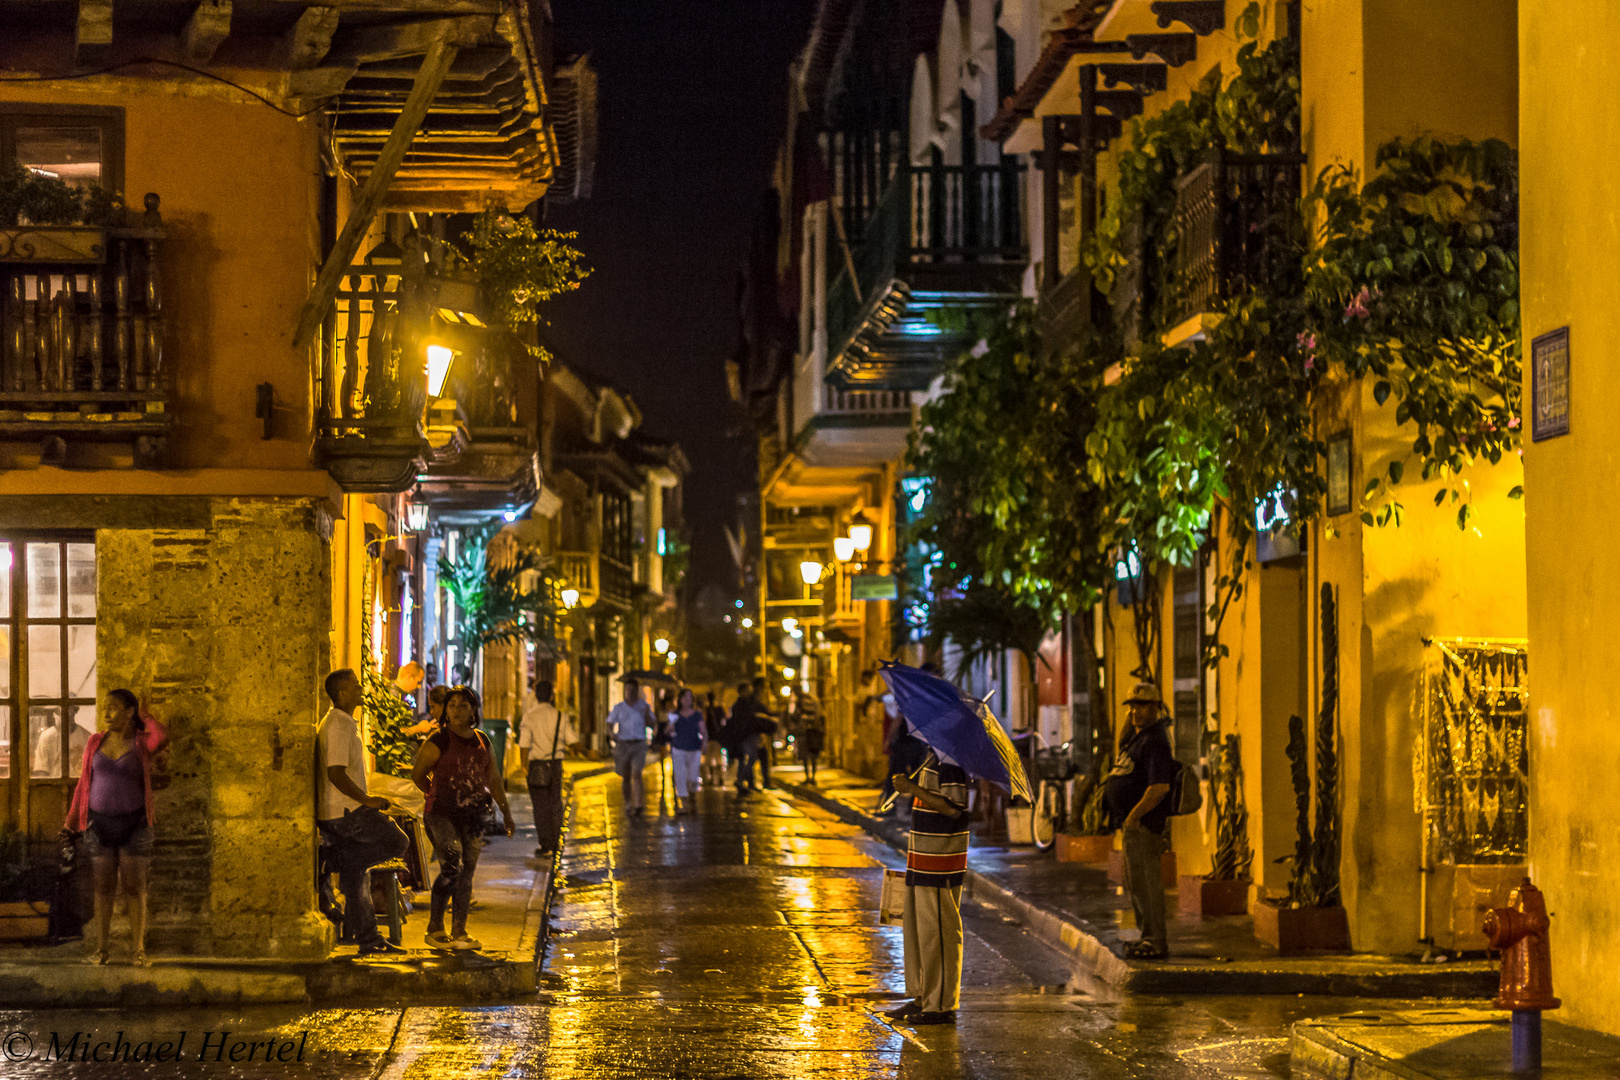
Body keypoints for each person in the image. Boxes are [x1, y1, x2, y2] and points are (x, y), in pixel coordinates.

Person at [65, 689, 169, 966]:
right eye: (106, 708)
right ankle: (101, 950)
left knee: (135, 887)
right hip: (99, 825)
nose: (107, 713)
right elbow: (83, 783)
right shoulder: (95, 742)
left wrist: (145, 717)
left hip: (134, 824)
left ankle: (138, 950)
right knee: (103, 888)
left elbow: (161, 737)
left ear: (129, 712)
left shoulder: (140, 742)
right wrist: (72, 820)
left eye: (113, 708)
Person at [313, 669, 409, 957]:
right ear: (342, 693)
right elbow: (335, 773)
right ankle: (333, 862)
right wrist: (366, 800)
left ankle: (369, 939)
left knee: (357, 875)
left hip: (342, 811)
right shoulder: (338, 726)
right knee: (397, 841)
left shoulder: (341, 723)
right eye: (355, 685)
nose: (360, 689)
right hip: (346, 813)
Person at [411, 686, 515, 950]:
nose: (457, 710)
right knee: (451, 863)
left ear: (473, 711)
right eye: (452, 705)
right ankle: (435, 928)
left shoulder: (482, 741)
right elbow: (419, 774)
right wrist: (436, 794)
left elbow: (493, 778)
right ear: (446, 710)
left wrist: (506, 812)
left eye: (463, 705)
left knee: (467, 870)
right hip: (442, 815)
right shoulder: (438, 741)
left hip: (473, 816)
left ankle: (460, 931)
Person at [886, 739, 971, 1026]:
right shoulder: (932, 757)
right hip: (922, 857)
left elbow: (954, 809)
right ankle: (924, 996)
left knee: (938, 934)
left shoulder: (952, 762)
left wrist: (913, 789)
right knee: (920, 931)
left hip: (940, 862)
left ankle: (941, 1005)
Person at [1104, 680, 1178, 960]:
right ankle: (1147, 937)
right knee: (1135, 883)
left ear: (1156, 707)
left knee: (1146, 883)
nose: (1135, 710)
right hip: (1132, 825)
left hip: (1144, 825)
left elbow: (1159, 787)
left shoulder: (1156, 741)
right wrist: (1131, 717)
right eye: (1132, 706)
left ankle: (1156, 941)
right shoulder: (1138, 736)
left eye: (1141, 705)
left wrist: (1134, 816)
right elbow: (1121, 743)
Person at [519, 680, 575, 855]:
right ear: (551, 695)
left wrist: (524, 767)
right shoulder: (560, 716)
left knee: (540, 806)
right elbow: (572, 740)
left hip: (537, 765)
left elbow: (524, 744)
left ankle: (546, 845)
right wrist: (587, 752)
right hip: (555, 765)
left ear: (536, 695)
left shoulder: (530, 716)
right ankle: (556, 842)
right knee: (555, 803)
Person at [605, 678, 656, 816]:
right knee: (626, 776)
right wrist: (612, 734)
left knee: (636, 772)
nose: (630, 693)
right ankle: (628, 802)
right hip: (623, 745)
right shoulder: (619, 707)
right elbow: (609, 723)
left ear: (637, 691)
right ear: (624, 691)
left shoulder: (643, 706)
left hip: (639, 744)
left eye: (633, 690)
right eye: (627, 690)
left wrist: (647, 717)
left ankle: (638, 804)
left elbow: (652, 724)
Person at [667, 688, 707, 814]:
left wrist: (704, 742)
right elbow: (667, 730)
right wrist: (670, 726)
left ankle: (693, 797)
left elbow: (703, 730)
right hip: (679, 748)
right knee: (680, 776)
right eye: (684, 697)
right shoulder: (675, 715)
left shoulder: (697, 715)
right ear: (680, 700)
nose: (687, 700)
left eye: (689, 697)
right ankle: (683, 805)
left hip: (694, 748)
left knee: (693, 777)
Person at [727, 680, 762, 795]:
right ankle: (742, 780)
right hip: (744, 735)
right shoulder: (739, 706)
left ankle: (746, 781)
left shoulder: (751, 703)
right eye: (747, 690)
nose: (749, 691)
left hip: (749, 734)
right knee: (749, 757)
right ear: (742, 691)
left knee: (749, 758)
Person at [794, 692, 825, 785]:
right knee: (813, 757)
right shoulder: (815, 702)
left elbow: (795, 716)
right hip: (814, 732)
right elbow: (821, 716)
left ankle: (808, 777)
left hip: (804, 733)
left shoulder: (800, 703)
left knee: (805, 757)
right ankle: (813, 778)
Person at [701, 691, 728, 786]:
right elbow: (725, 721)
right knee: (719, 759)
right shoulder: (720, 709)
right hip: (718, 737)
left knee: (709, 760)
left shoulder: (707, 710)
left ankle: (713, 778)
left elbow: (703, 723)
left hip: (710, 737)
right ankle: (720, 778)